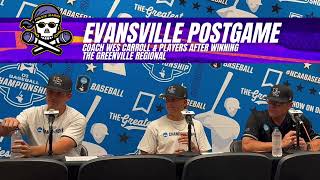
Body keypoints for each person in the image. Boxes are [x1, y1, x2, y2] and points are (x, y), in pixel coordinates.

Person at [0, 74, 86, 157]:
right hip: (37, 165)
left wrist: (32, 151)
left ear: (68, 96)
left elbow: (63, 146)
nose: (53, 97)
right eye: (50, 92)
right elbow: (6, 132)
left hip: (67, 167)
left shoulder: (77, 118)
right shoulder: (30, 113)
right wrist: (7, 125)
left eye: (59, 93)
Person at [242, 84, 320, 152]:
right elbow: (246, 145)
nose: (272, 106)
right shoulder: (257, 117)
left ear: (290, 105)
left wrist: (307, 146)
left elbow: (318, 142)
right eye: (270, 102)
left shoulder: (298, 119)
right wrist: (280, 144)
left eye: (277, 104)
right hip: (264, 165)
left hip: (291, 166)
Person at [138, 84, 211, 154]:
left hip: (190, 166)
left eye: (173, 100)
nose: (169, 104)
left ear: (185, 102)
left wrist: (194, 149)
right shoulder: (154, 125)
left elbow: (205, 156)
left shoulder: (196, 125)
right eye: (167, 100)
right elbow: (145, 154)